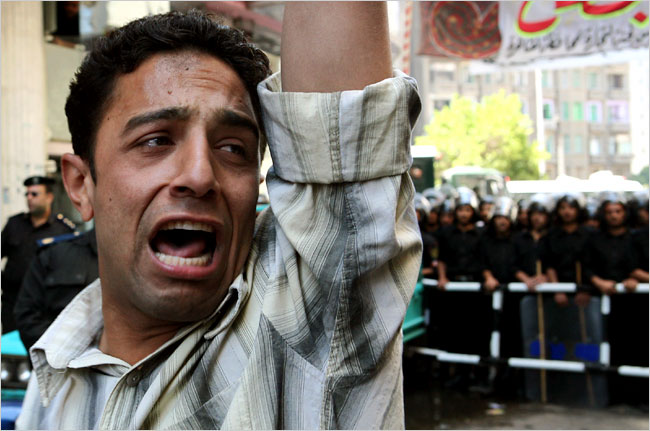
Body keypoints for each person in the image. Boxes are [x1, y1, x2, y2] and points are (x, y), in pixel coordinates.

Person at [17, 5, 422, 430]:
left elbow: (342, 140)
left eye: (233, 148)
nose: (200, 175)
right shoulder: (53, 381)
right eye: (156, 141)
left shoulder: (308, 321)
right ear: (81, 185)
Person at [583, 193, 647, 408]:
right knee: (609, 346)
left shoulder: (636, 238)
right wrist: (599, 282)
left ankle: (639, 396)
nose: (614, 216)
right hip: (604, 301)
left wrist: (634, 278)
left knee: (638, 347)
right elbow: (587, 267)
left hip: (634, 303)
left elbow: (637, 266)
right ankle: (613, 395)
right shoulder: (595, 239)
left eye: (618, 211)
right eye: (609, 212)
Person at [1, 176, 75, 334]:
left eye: (34, 194)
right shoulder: (14, 224)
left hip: (45, 307)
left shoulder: (62, 229)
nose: (29, 198)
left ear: (49, 197)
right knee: (12, 352)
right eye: (27, 194)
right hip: (12, 303)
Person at [14, 229, 98, 351]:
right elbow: (27, 315)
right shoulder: (55, 254)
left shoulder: (133, 261)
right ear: (85, 209)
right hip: (60, 361)